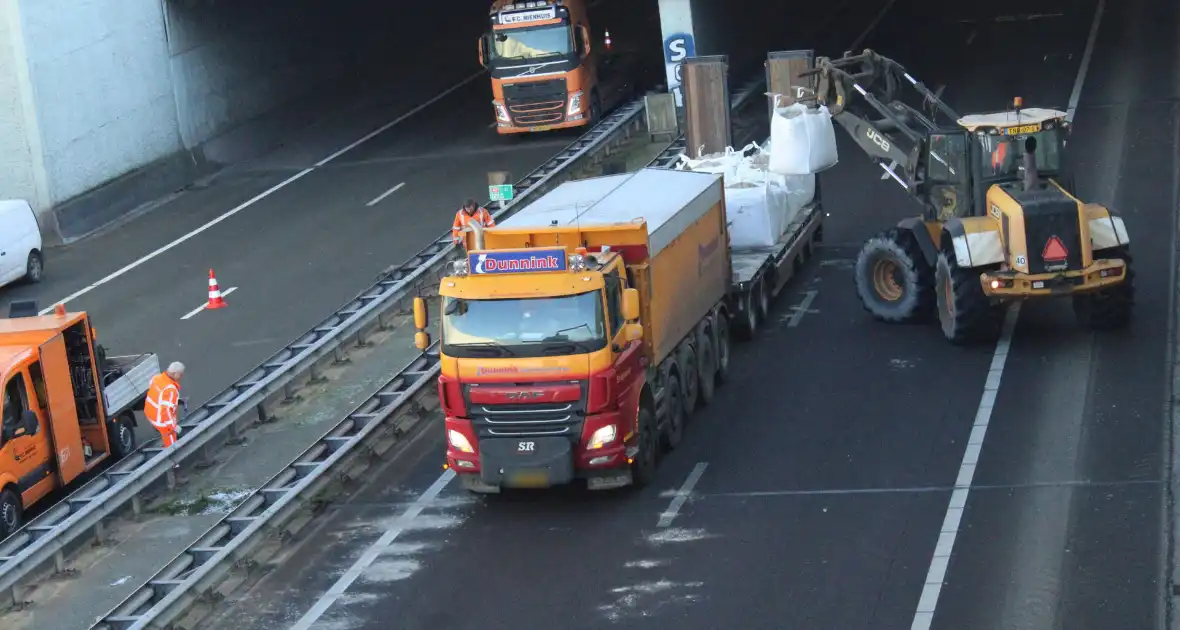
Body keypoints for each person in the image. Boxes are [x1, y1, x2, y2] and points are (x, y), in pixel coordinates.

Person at [144, 362, 185, 449]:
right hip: (160, 421)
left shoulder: (156, 378)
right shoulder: (170, 390)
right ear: (174, 374)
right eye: (180, 375)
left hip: (150, 413)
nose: (181, 377)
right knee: (171, 443)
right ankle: (173, 460)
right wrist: (173, 427)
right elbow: (165, 411)